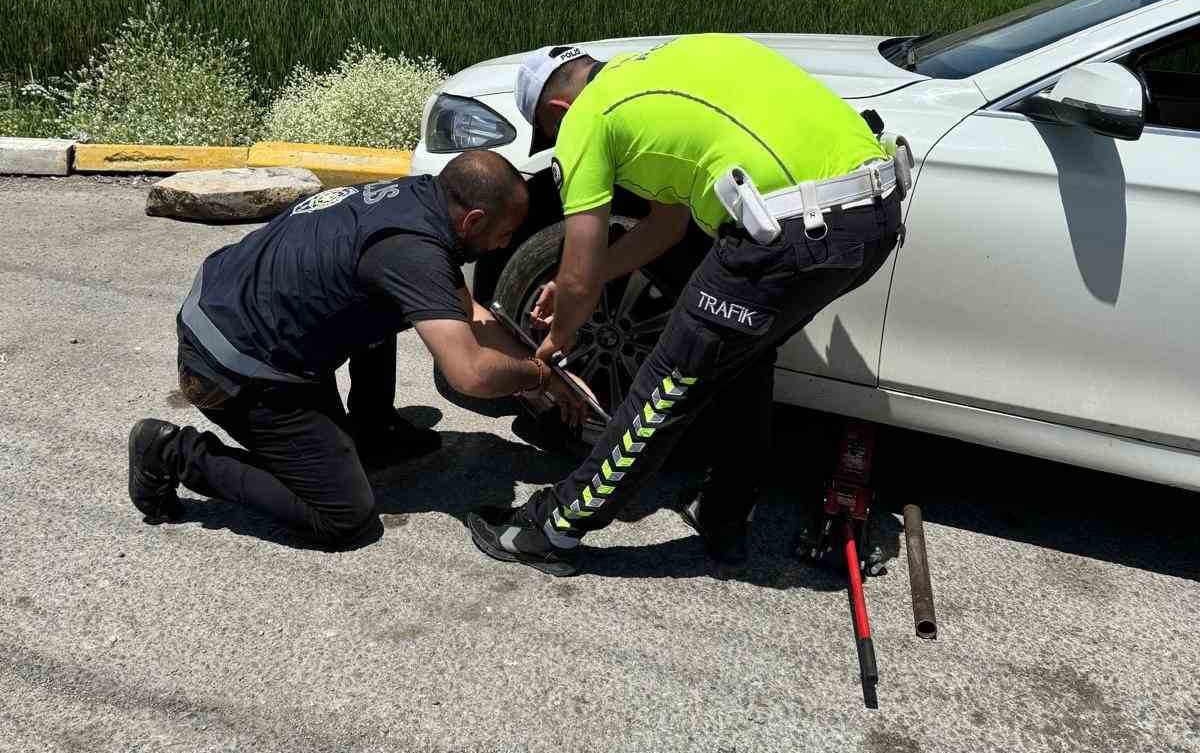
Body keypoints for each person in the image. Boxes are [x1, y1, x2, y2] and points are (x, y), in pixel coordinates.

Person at [467, 36, 908, 578]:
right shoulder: (673, 65)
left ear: (557, 111)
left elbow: (580, 268)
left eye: (551, 134)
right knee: (745, 359)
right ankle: (725, 515)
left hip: (787, 234)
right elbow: (665, 225)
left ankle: (552, 528)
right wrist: (577, 282)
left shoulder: (588, 119)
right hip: (874, 218)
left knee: (665, 387)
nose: (559, 142)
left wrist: (558, 337)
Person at [128, 150, 589, 547]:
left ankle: (374, 429)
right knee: (343, 515)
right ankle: (176, 453)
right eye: (505, 235)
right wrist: (538, 379)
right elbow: (468, 372)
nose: (504, 245)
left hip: (237, 312)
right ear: (472, 220)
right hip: (230, 366)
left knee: (391, 302)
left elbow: (470, 314)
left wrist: (542, 361)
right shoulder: (413, 252)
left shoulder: (417, 198)